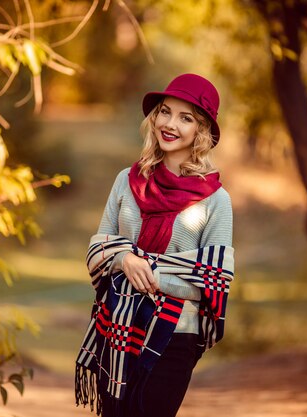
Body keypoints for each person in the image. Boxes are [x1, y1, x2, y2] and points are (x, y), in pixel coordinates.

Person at [75, 73, 235, 417]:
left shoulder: (216, 201)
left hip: (174, 335)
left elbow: (213, 280)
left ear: (201, 130)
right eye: (165, 112)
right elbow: (99, 248)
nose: (170, 124)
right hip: (116, 324)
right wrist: (124, 260)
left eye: (185, 118)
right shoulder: (127, 180)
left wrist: (146, 271)